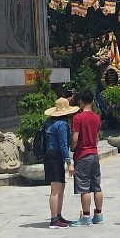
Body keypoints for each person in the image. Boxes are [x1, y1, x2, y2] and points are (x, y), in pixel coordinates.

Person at [41, 97, 77, 229]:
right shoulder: (61, 125)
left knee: (60, 186)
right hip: (55, 155)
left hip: (49, 155)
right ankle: (54, 219)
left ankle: (58, 215)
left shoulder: (49, 122)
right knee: (56, 188)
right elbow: (63, 145)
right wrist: (69, 163)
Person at [71, 89, 105, 225]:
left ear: (81, 101)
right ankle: (99, 214)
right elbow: (97, 138)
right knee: (96, 186)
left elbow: (75, 137)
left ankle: (86, 217)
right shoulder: (97, 118)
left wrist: (73, 148)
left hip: (82, 154)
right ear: (92, 101)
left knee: (84, 187)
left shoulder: (77, 118)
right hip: (94, 153)